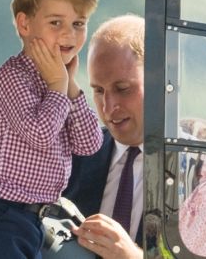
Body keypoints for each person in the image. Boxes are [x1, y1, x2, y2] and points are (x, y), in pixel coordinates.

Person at [0, 0, 103, 259]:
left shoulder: (61, 84)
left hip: (34, 220)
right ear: (24, 25)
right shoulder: (13, 77)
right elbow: (39, 134)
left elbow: (90, 144)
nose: (69, 34)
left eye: (79, 23)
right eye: (56, 23)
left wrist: (71, 89)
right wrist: (57, 85)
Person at [63, 14, 145, 259]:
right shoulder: (72, 156)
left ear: (161, 78)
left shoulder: (197, 170)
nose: (108, 107)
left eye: (122, 89)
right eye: (98, 90)